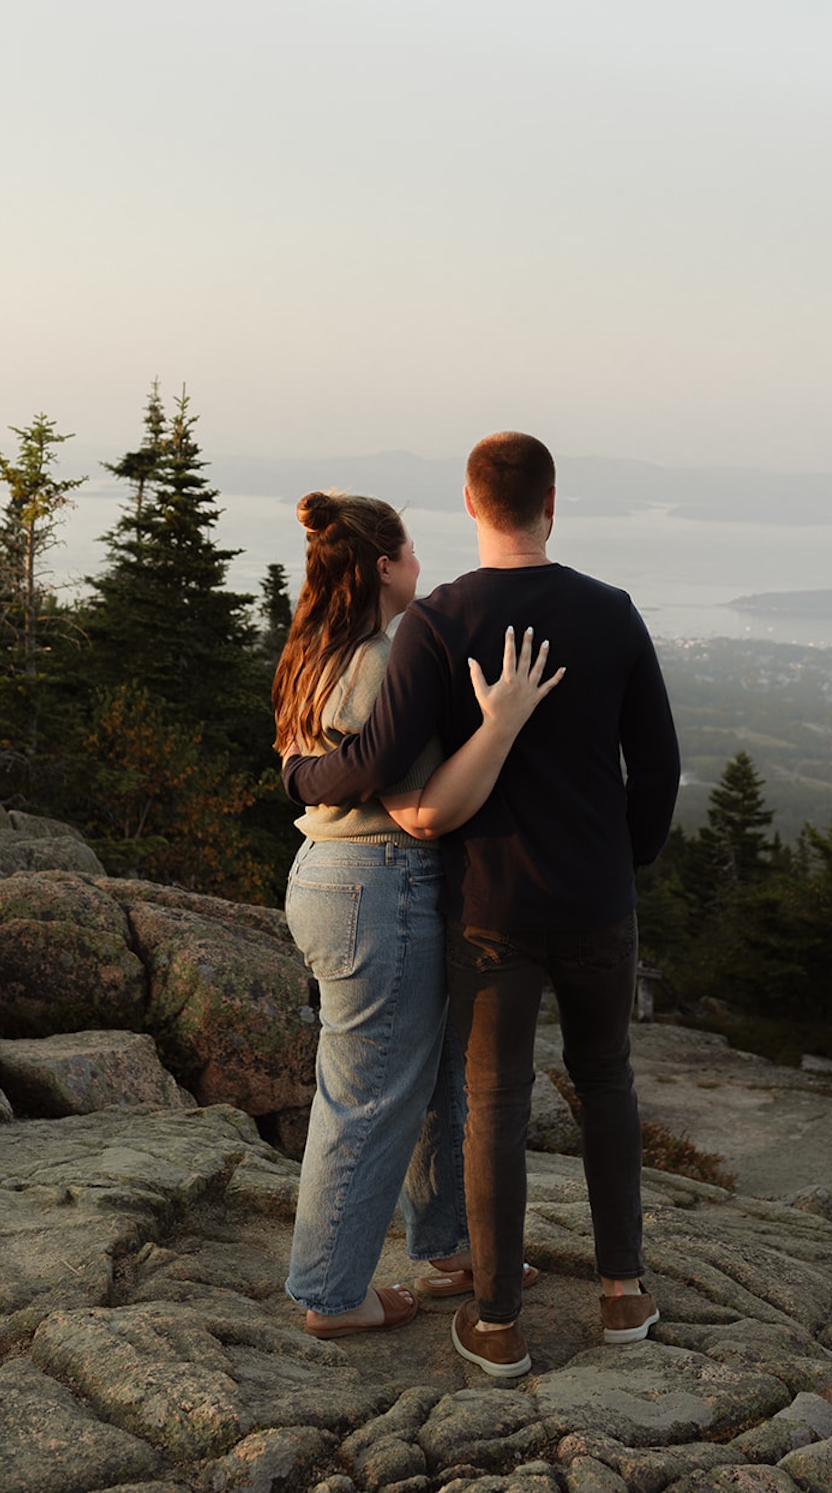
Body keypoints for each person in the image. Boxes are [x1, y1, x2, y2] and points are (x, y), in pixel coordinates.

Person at [282, 435, 682, 1376]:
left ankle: (497, 1322)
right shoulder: (612, 614)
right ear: (554, 500)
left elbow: (381, 766)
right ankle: (623, 1296)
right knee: (608, 1082)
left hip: (488, 908)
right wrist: (622, 866)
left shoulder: (439, 620)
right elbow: (656, 768)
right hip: (595, 902)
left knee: (493, 1101)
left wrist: (301, 774)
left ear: (470, 503)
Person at [272, 490, 561, 1339]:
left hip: (332, 875)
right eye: (411, 551)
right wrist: (502, 724)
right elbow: (418, 809)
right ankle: (331, 1294)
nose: (422, 566)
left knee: (432, 1080)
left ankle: (450, 1247)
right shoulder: (380, 661)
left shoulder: (312, 651)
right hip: (381, 884)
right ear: (385, 566)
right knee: (368, 1099)